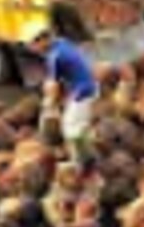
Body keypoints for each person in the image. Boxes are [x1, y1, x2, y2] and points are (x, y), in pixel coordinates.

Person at [26, 22, 99, 168]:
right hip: (87, 86)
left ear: (41, 40)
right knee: (78, 124)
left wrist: (48, 106)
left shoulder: (55, 56)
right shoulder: (61, 42)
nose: (32, 49)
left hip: (83, 93)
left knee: (70, 130)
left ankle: (82, 163)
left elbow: (53, 87)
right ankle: (88, 148)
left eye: (33, 44)